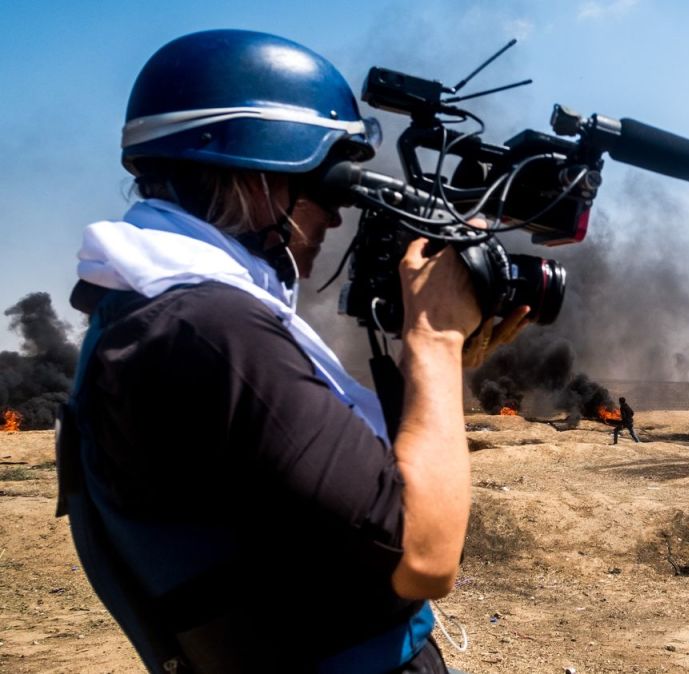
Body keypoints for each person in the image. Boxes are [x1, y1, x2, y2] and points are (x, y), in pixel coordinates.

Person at [57, 30, 527, 673]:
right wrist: (434, 338)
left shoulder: (155, 310)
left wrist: (438, 368)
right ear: (258, 173)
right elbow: (424, 557)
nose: (335, 220)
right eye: (327, 187)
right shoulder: (211, 329)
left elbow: (318, 493)